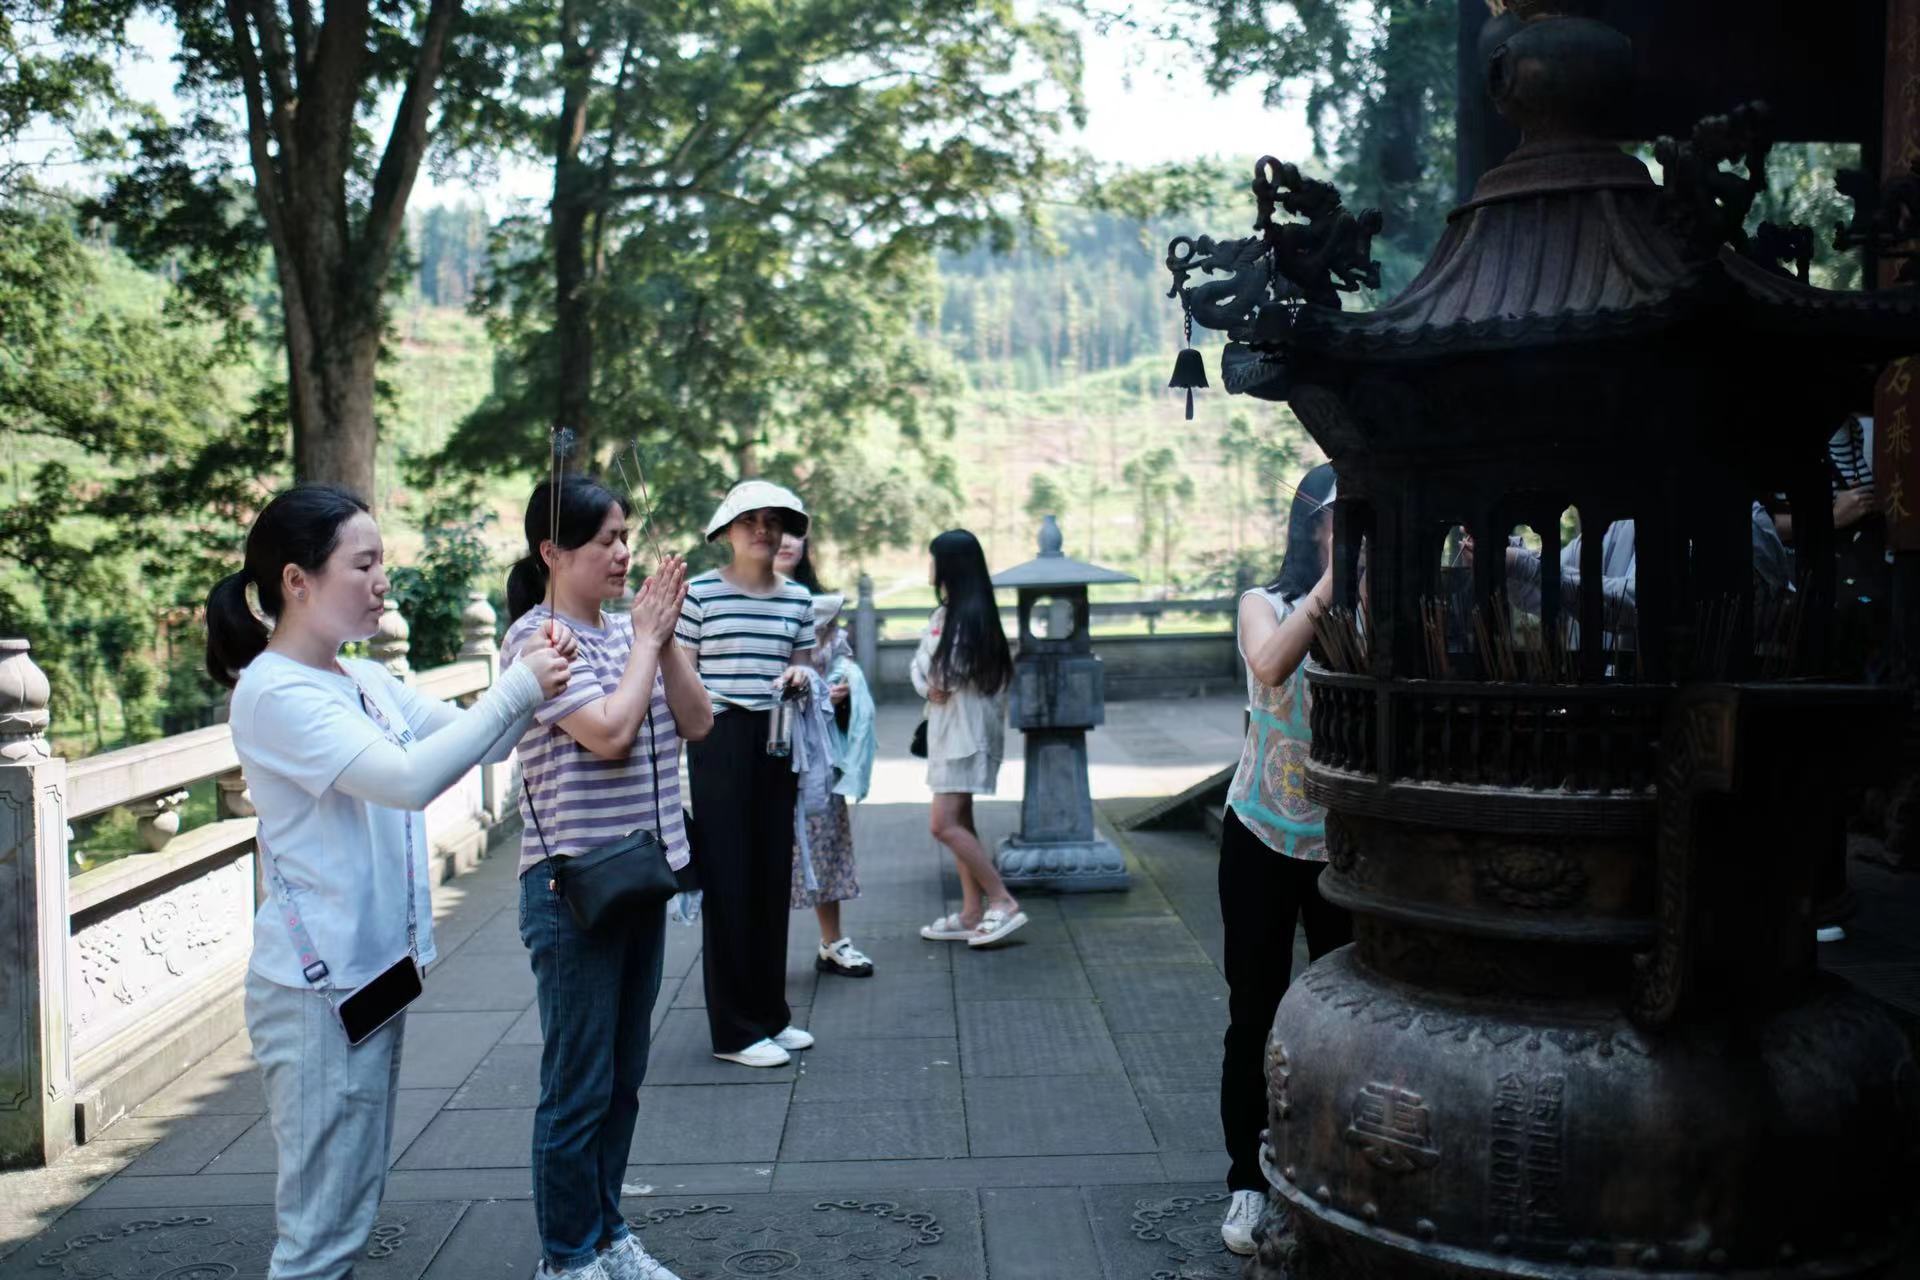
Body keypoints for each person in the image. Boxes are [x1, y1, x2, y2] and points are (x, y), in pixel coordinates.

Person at [208, 485, 572, 1280]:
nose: (382, 582)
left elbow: (482, 744)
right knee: (319, 1230)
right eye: (363, 564)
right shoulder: (274, 693)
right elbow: (406, 780)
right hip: (318, 992)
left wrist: (533, 675)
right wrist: (518, 687)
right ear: (297, 581)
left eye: (382, 564)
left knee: (349, 1203)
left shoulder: (361, 679)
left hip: (370, 974)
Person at [501, 476, 712, 1280]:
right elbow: (611, 735)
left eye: (625, 537)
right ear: (552, 552)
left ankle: (608, 1235)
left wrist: (664, 636)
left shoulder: (632, 632)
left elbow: (697, 721)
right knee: (578, 1084)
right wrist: (647, 643)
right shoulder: (539, 642)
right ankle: (566, 1257)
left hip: (638, 879)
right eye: (604, 541)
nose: (623, 553)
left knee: (624, 1079)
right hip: (572, 891)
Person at [1217, 463, 1353, 1256]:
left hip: (1346, 843)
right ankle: (1248, 1179)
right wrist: (1335, 580)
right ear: (1312, 527)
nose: (1356, 530)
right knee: (1255, 1009)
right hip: (1260, 832)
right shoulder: (1263, 603)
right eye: (1341, 517)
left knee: (1347, 1012)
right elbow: (1270, 666)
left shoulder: (1377, 612)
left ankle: (1332, 1172)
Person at [675, 481, 818, 1067]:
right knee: (729, 878)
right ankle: (733, 1031)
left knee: (770, 877)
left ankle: (769, 1014)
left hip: (779, 736)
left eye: (773, 521)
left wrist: (801, 678)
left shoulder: (799, 600)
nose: (763, 530)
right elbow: (681, 679)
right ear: (727, 531)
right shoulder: (698, 594)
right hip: (719, 736)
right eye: (750, 520)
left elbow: (803, 666)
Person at [912, 529, 1025, 949]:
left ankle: (1002, 900)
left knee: (942, 824)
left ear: (949, 566)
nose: (929, 567)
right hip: (953, 731)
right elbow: (924, 675)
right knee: (960, 822)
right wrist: (928, 682)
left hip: (965, 735)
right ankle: (972, 911)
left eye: (933, 558)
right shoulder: (953, 615)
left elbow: (941, 675)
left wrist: (928, 678)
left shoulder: (965, 619)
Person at [775, 533, 878, 977]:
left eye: (793, 530)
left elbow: (840, 666)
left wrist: (839, 690)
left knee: (826, 837)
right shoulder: (742, 602)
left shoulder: (825, 607)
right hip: (764, 741)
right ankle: (761, 953)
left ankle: (833, 941)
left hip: (818, 746)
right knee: (766, 850)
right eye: (773, 527)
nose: (784, 540)